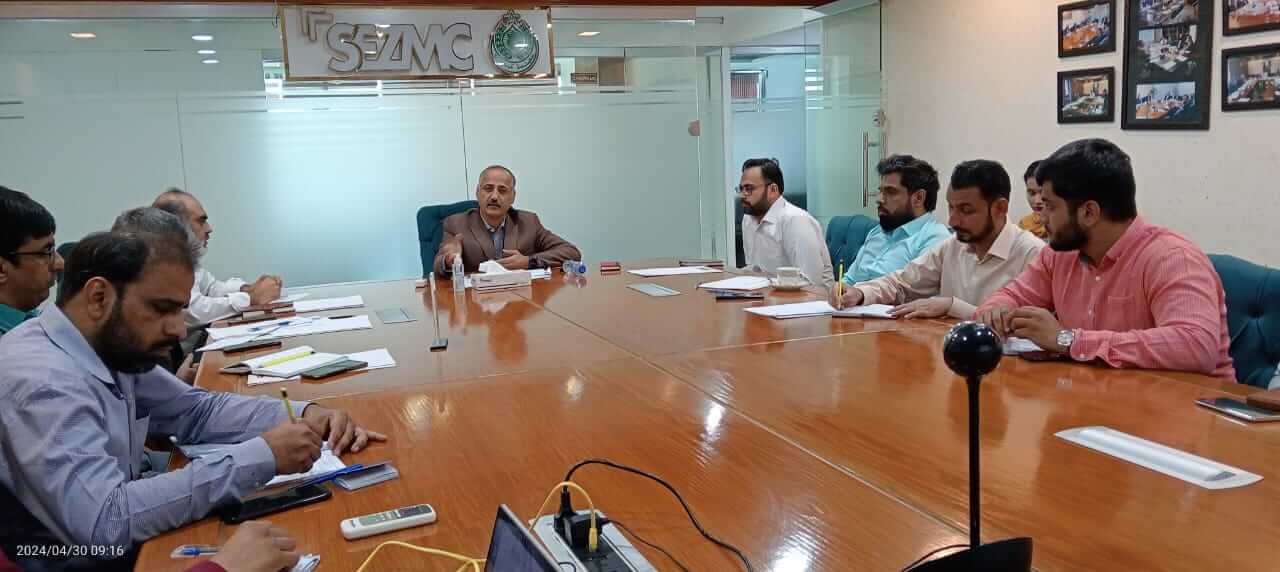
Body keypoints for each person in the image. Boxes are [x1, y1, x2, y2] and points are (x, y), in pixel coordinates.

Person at [0, 231, 386, 571]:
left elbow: (196, 410)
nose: (178, 329)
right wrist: (262, 455)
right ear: (98, 297)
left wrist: (308, 413)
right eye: (162, 309)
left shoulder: (101, 345)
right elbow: (107, 522)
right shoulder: (41, 381)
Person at [976, 138, 1234, 379]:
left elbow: (1195, 346)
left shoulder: (1172, 258)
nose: (1041, 217)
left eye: (1050, 206)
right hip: (1101, 395)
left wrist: (1068, 340)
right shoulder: (1058, 255)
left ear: (1089, 212)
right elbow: (1010, 297)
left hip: (1187, 403)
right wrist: (995, 312)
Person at [834, 160, 1043, 319]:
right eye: (951, 208)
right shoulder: (954, 245)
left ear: (1000, 208)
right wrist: (860, 293)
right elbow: (901, 283)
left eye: (965, 210)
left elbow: (1024, 324)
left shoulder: (1032, 253)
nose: (953, 220)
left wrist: (952, 306)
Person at [153, 188, 282, 327]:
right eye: (201, 221)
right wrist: (250, 299)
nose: (209, 229)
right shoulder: (161, 263)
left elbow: (211, 288)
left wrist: (248, 289)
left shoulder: (185, 260)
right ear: (176, 227)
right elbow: (194, 312)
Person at [434, 165, 581, 275]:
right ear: (477, 192)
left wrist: (529, 261)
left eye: (502, 190)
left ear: (513, 197)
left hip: (520, 299)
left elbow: (571, 252)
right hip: (477, 301)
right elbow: (438, 265)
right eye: (488, 188)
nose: (494, 196)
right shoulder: (456, 223)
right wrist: (449, 260)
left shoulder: (529, 222)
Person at [838, 154, 951, 285]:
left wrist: (859, 294)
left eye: (890, 192)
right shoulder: (877, 232)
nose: (879, 199)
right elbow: (849, 280)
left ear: (919, 198)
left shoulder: (935, 240)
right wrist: (837, 290)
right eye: (880, 191)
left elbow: (912, 293)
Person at [738, 158, 835, 290]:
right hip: (769, 294)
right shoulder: (748, 220)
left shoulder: (796, 220)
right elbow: (755, 269)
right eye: (741, 189)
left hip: (812, 297)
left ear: (773, 190)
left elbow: (810, 281)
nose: (743, 195)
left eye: (749, 188)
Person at [0, 186, 65, 337]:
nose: (60, 263)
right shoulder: (9, 345)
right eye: (46, 251)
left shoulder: (35, 322)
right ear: (1, 270)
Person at [1017, 160, 1049, 239]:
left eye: (1042, 192)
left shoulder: (1067, 224)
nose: (1037, 201)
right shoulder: (1024, 225)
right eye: (1032, 193)